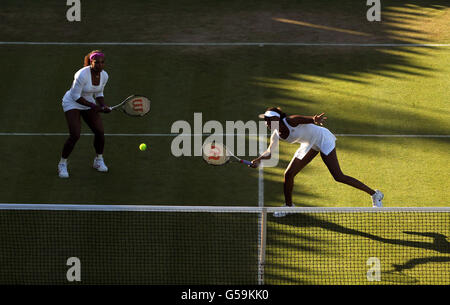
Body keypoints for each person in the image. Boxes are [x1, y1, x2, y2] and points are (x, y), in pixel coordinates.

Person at [251, 107, 384, 216]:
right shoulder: (275, 134)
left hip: (323, 139)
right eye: (265, 121)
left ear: (276, 119)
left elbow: (309, 119)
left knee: (338, 176)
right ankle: (289, 206)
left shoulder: (291, 120)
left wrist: (315, 119)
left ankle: (375, 194)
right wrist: (258, 160)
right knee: (288, 174)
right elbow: (269, 152)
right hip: (309, 144)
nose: (266, 124)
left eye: (268, 120)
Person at [57, 50, 111, 178]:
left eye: (102, 63)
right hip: (72, 102)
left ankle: (98, 160)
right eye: (96, 62)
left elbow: (99, 93)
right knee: (75, 134)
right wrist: (94, 107)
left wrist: (103, 106)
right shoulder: (81, 75)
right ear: (91, 62)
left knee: (100, 132)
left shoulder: (104, 76)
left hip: (88, 102)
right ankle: (62, 164)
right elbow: (75, 96)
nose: (100, 65)